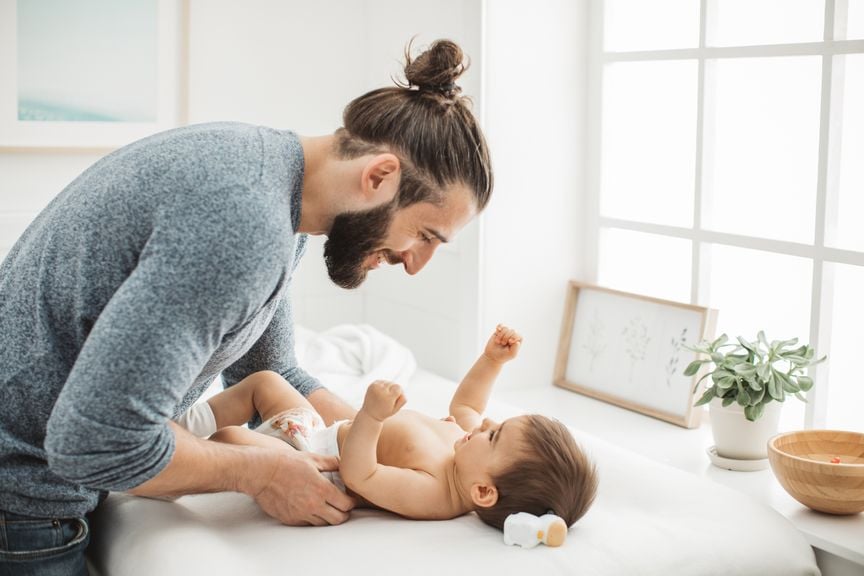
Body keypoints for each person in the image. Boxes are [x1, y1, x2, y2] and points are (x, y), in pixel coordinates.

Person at [0, 38, 492, 574]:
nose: (416, 263)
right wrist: (258, 473)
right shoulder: (242, 225)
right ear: (379, 176)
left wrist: (382, 438)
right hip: (21, 501)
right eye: (424, 235)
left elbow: (269, 368)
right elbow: (94, 445)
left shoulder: (275, 184)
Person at [199, 326, 598, 530]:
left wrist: (371, 416)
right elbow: (468, 404)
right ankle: (183, 421)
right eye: (498, 424)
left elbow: (362, 473)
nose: (487, 423)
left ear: (483, 491)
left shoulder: (437, 492)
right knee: (265, 382)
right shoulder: (466, 445)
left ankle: (179, 448)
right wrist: (492, 361)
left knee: (231, 440)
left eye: (494, 435)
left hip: (307, 463)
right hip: (319, 430)